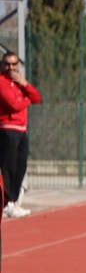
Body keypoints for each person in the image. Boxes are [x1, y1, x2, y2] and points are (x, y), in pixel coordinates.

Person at [0, 51, 41, 219]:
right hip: (7, 129)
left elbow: (36, 97)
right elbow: (14, 105)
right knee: (8, 167)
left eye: (13, 64)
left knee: (20, 166)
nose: (11, 67)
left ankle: (14, 201)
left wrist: (24, 84)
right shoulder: (1, 82)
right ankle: (7, 202)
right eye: (7, 64)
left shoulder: (19, 82)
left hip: (22, 130)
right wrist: (27, 99)